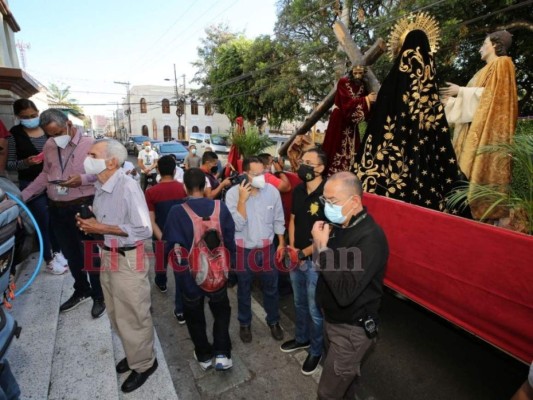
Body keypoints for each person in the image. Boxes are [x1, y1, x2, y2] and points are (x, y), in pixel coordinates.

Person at [354, 26, 467, 213]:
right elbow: (437, 126)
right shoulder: (429, 85)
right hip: (424, 160)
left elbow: (378, 122)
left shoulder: (391, 83)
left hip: (387, 160)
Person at [76, 139, 157, 393]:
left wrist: (99, 227)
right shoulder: (101, 184)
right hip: (108, 255)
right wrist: (91, 223)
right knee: (115, 312)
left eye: (93, 154)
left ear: (112, 161)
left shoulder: (128, 187)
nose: (87, 158)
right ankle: (135, 355)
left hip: (129, 259)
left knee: (134, 314)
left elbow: (144, 230)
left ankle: (145, 364)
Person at [312, 172, 388, 399]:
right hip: (332, 319)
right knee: (345, 383)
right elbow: (325, 268)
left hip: (351, 329)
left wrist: (322, 248)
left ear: (354, 201)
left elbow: (345, 293)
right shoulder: (343, 224)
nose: (327, 207)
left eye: (332, 201)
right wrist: (321, 247)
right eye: (324, 200)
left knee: (327, 393)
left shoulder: (370, 239)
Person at [21, 109, 104, 318]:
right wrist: (22, 196)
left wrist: (82, 179)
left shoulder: (90, 144)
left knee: (90, 255)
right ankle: (81, 289)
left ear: (68, 124)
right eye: (50, 135)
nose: (55, 138)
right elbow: (45, 175)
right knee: (71, 254)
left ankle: (99, 295)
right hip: (57, 209)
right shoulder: (50, 146)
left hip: (83, 207)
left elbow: (104, 173)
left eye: (58, 132)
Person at [163, 168, 236, 371]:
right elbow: (230, 241)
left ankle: (204, 355)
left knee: (195, 316)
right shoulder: (220, 207)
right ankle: (222, 354)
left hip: (189, 277)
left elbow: (170, 246)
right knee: (221, 312)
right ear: (205, 187)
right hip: (218, 274)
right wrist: (232, 269)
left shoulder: (177, 212)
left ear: (184, 187)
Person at [442, 30, 518, 220]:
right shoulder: (483, 71)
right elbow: (474, 107)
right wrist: (451, 103)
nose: (480, 48)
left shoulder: (503, 63)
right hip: (471, 133)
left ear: (494, 44)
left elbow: (493, 97)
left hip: (486, 135)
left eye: (483, 44)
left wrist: (461, 91)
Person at [225, 156, 285, 343]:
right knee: (244, 289)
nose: (262, 177)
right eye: (256, 174)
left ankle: (273, 321)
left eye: (264, 173)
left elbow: (278, 219)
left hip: (267, 249)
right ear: (245, 174)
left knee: (271, 288)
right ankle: (245, 324)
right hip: (244, 250)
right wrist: (243, 200)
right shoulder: (233, 194)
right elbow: (236, 224)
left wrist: (281, 243)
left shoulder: (272, 192)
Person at [7, 99, 68, 274]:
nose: (30, 119)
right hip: (31, 184)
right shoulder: (14, 134)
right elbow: (10, 164)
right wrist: (26, 162)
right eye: (25, 117)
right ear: (18, 117)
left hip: (55, 181)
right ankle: (48, 258)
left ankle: (59, 252)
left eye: (33, 115)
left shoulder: (48, 130)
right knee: (43, 219)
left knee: (56, 218)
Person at [281, 148, 327, 376]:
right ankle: (302, 339)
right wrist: (291, 248)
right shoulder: (298, 191)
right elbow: (292, 220)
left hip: (315, 261)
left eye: (308, 162)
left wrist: (303, 253)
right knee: (298, 302)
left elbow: (329, 232)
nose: (302, 165)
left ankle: (316, 350)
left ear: (320, 168)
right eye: (302, 161)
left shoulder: (329, 193)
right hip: (295, 255)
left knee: (314, 309)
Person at [144, 155, 187, 323]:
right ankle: (180, 311)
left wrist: (163, 238)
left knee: (161, 263)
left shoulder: (151, 192)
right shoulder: (184, 188)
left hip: (161, 236)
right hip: (182, 238)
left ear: (158, 170)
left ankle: (161, 282)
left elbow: (151, 220)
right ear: (175, 170)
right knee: (181, 272)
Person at [322, 65, 375, 176]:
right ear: (351, 72)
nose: (358, 75)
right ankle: (331, 173)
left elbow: (365, 110)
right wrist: (367, 99)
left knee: (351, 150)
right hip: (339, 120)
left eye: (360, 73)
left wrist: (369, 102)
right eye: (355, 73)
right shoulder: (343, 82)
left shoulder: (363, 86)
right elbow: (346, 105)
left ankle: (349, 173)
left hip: (351, 124)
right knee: (336, 147)